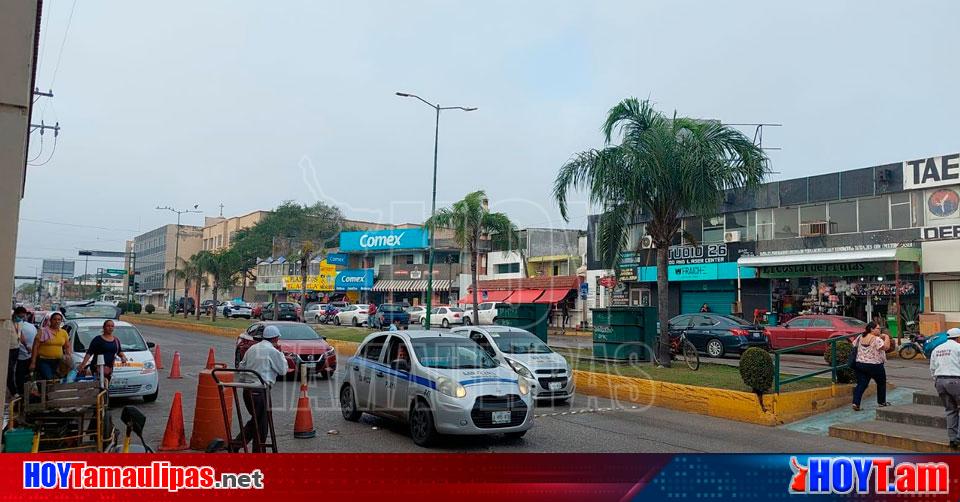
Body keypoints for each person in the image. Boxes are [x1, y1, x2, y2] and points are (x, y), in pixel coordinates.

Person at [236, 325, 286, 452]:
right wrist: (281, 355)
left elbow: (241, 366)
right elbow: (283, 370)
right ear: (275, 338)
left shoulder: (253, 348)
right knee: (262, 423)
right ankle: (255, 450)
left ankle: (237, 444)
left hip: (247, 389)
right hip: (259, 390)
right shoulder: (272, 351)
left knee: (258, 420)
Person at [929, 328, 960, 448]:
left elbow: (932, 368)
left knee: (950, 410)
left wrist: (937, 381)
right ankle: (959, 437)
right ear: (958, 338)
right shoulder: (958, 348)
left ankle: (952, 439)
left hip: (940, 381)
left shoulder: (937, 349)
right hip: (956, 380)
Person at [851, 321, 892, 411]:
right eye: (878, 328)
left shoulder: (860, 337)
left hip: (860, 364)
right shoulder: (876, 339)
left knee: (861, 384)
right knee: (881, 383)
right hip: (875, 365)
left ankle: (856, 403)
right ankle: (881, 402)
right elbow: (886, 347)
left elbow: (854, 344)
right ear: (872, 329)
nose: (880, 330)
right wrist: (887, 337)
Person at [78, 320, 128, 385]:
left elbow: (119, 351)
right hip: (97, 369)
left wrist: (123, 357)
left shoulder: (116, 340)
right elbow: (89, 353)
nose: (110, 328)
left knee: (105, 388)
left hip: (109, 370)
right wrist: (83, 365)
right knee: (98, 387)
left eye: (112, 326)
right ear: (104, 327)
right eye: (108, 326)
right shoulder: (97, 339)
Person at [29, 312, 72, 380]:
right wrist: (33, 362)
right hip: (44, 361)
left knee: (58, 379)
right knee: (49, 378)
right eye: (54, 319)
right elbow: (35, 347)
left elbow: (67, 346)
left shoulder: (63, 332)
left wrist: (68, 357)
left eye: (59, 319)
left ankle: (51, 390)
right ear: (50, 320)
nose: (57, 321)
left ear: (61, 321)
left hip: (59, 361)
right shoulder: (42, 331)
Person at [13, 307, 37, 395]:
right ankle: (28, 394)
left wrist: (27, 347)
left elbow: (21, 338)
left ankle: (22, 394)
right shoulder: (31, 326)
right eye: (20, 316)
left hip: (22, 358)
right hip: (29, 356)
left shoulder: (16, 325)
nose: (21, 318)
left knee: (20, 378)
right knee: (30, 377)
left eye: (22, 317)